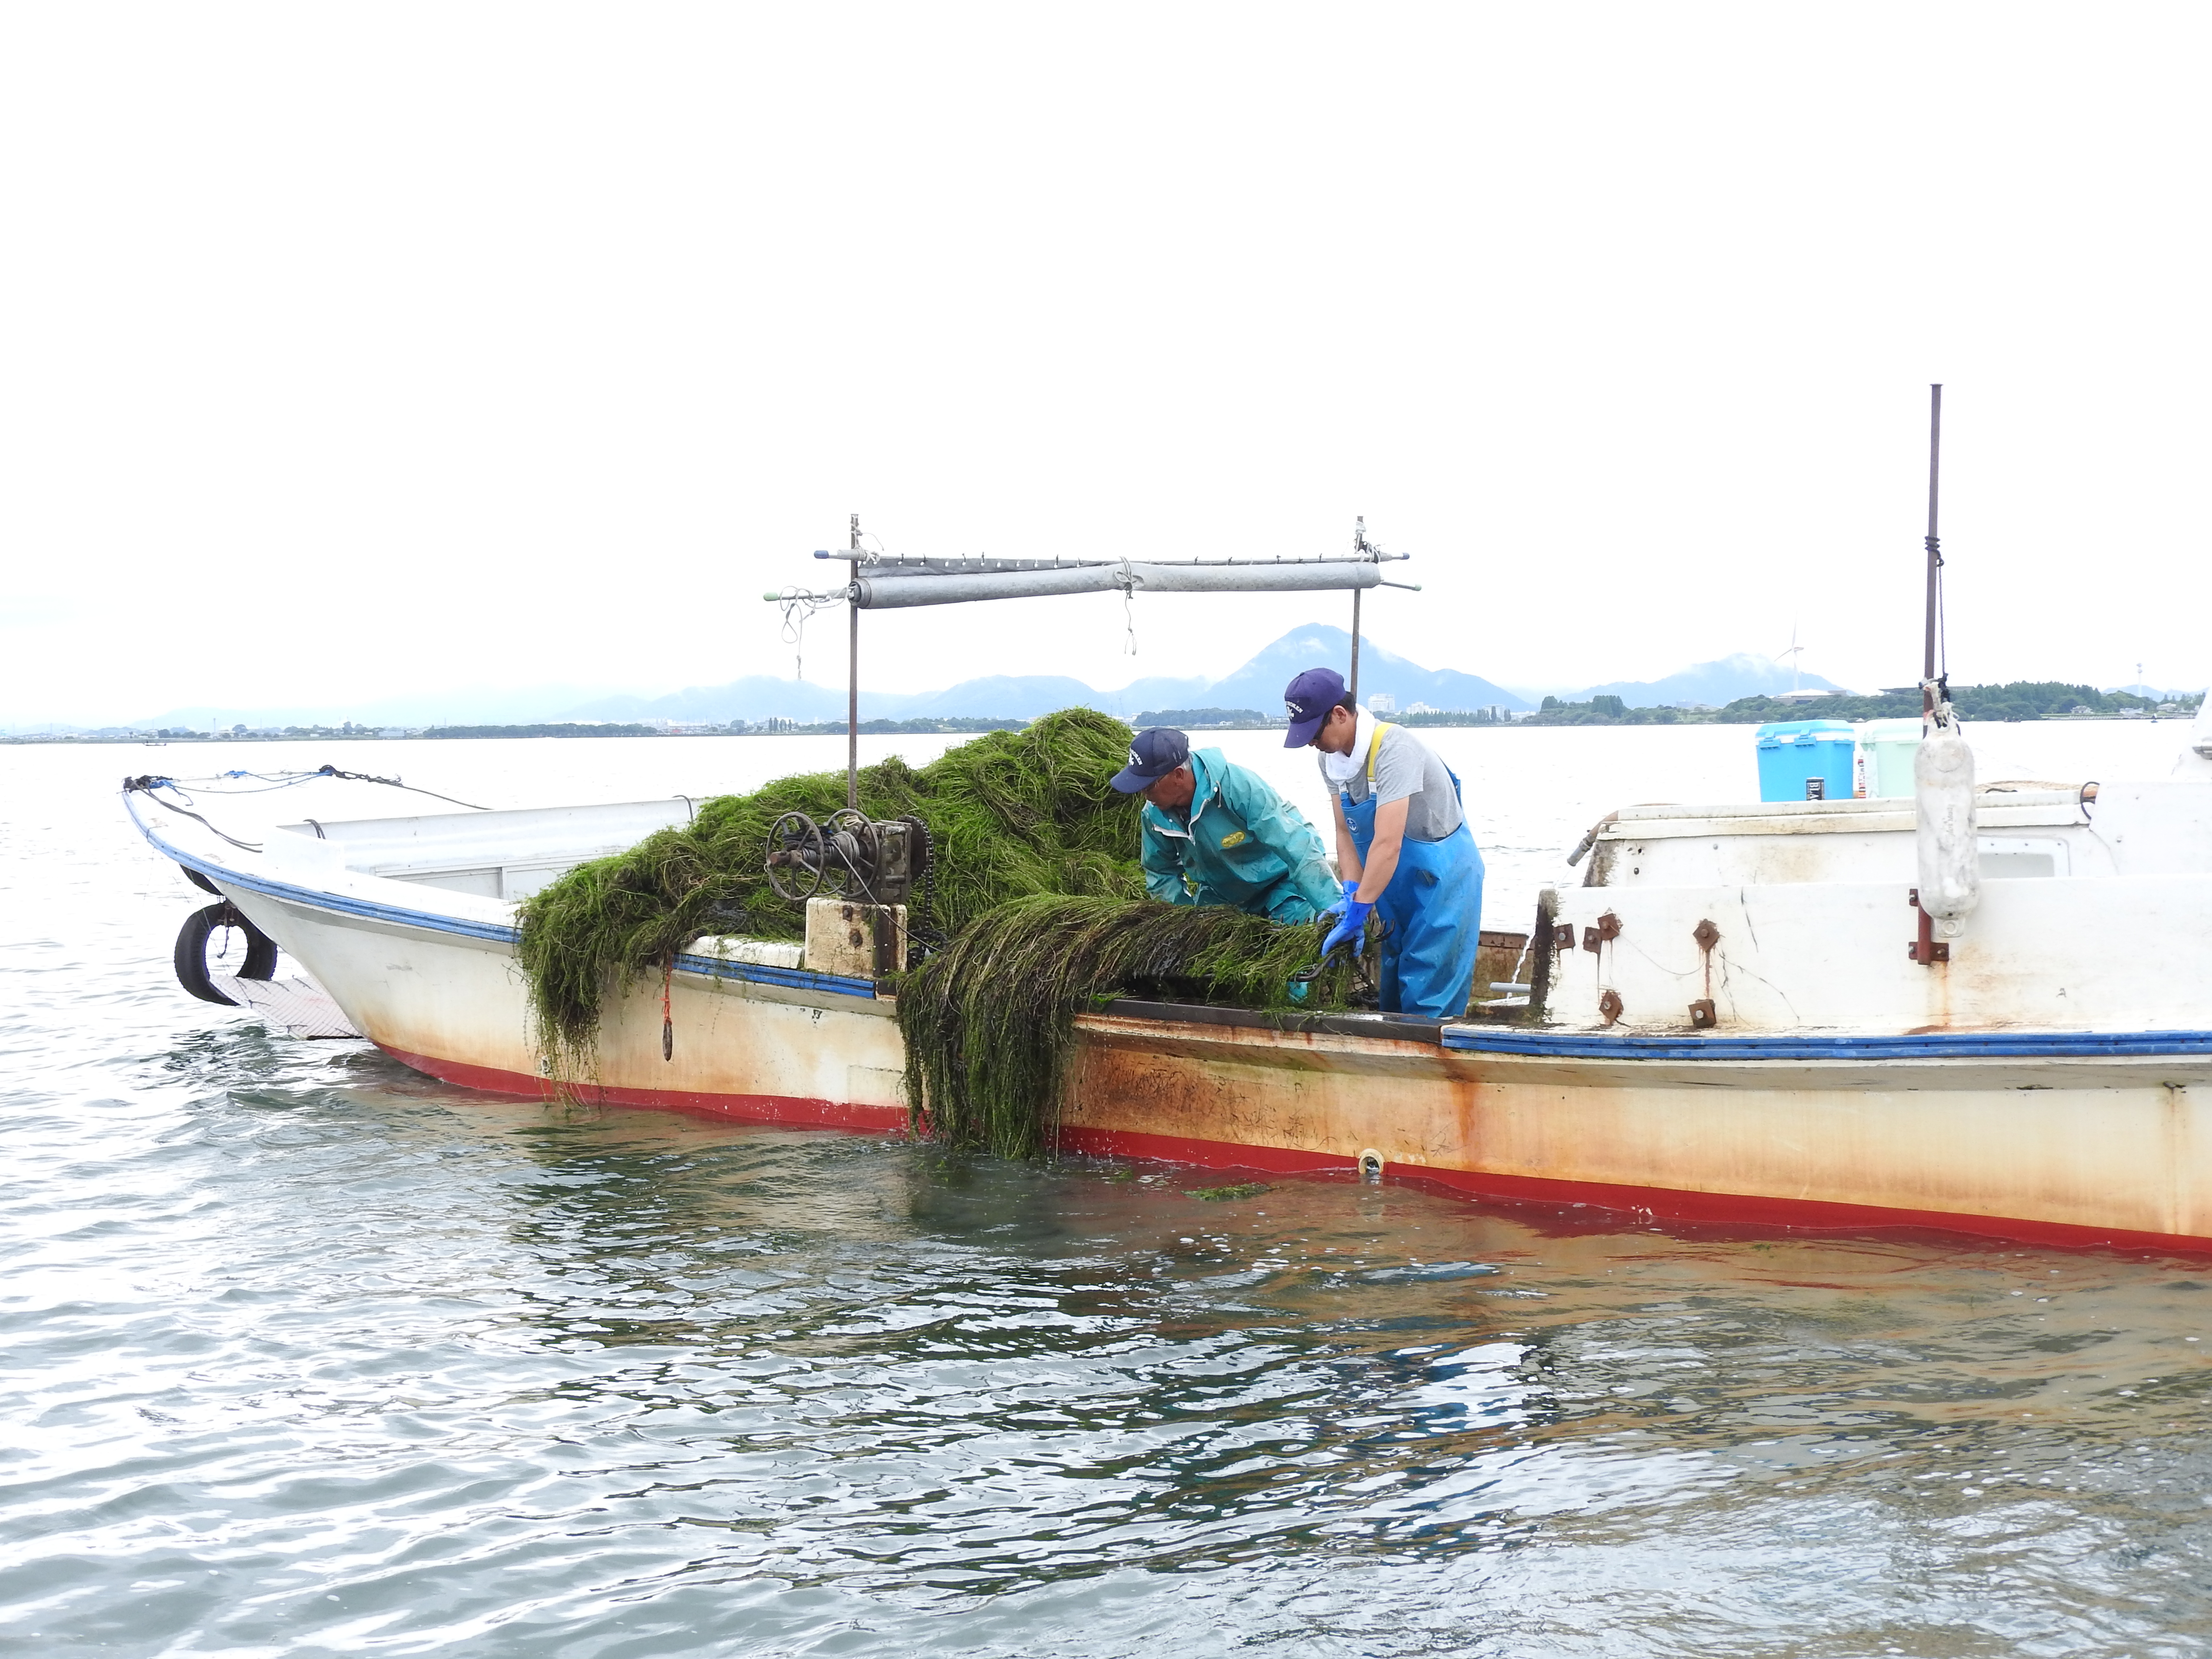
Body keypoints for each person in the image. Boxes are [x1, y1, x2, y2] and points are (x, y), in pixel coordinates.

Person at [1282, 667, 1484, 1019]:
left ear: (1340, 715)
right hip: (1392, 882)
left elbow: (1388, 842)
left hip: (1443, 877)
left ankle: (1427, 1066)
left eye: (1314, 732)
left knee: (1428, 985)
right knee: (1393, 979)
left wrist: (1360, 910)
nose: (1311, 742)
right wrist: (1350, 894)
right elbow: (1346, 832)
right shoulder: (1328, 760)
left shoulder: (1394, 748)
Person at [1110, 726, 1340, 923]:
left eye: (1149, 786)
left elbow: (1294, 846)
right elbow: (1161, 871)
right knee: (1204, 962)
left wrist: (1331, 907)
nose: (1144, 795)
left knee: (1295, 958)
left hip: (1280, 880)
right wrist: (1184, 923)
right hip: (1221, 894)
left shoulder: (1238, 787)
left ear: (1179, 775)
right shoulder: (1154, 815)